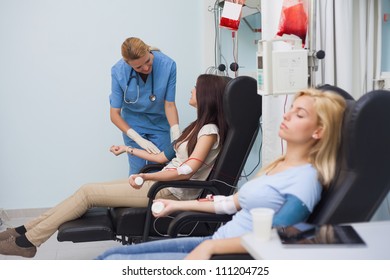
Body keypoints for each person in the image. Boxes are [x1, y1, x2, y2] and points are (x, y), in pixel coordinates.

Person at [95, 88, 347, 260]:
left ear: (318, 132)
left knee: (111, 263)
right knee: (107, 257)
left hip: (230, 255)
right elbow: (228, 203)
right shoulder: (278, 166)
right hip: (217, 242)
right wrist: (173, 205)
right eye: (291, 108)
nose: (287, 115)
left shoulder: (305, 180)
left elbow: (278, 236)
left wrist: (211, 246)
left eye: (299, 114)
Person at [0, 74, 229, 258]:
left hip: (169, 192)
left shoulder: (209, 131)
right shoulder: (197, 126)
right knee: (86, 189)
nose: (191, 90)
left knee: (88, 193)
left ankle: (27, 242)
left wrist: (149, 178)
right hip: (161, 183)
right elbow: (161, 157)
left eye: (196, 88)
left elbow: (186, 171)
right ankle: (23, 231)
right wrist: (128, 149)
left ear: (206, 95)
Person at [110, 37, 180, 175]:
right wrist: (137, 139)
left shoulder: (168, 65)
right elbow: (114, 114)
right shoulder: (118, 71)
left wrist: (176, 132)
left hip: (159, 123)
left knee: (160, 169)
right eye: (138, 67)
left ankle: (157, 198)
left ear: (148, 51)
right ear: (128, 64)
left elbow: (170, 104)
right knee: (137, 171)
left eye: (148, 61)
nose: (146, 68)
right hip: (133, 125)